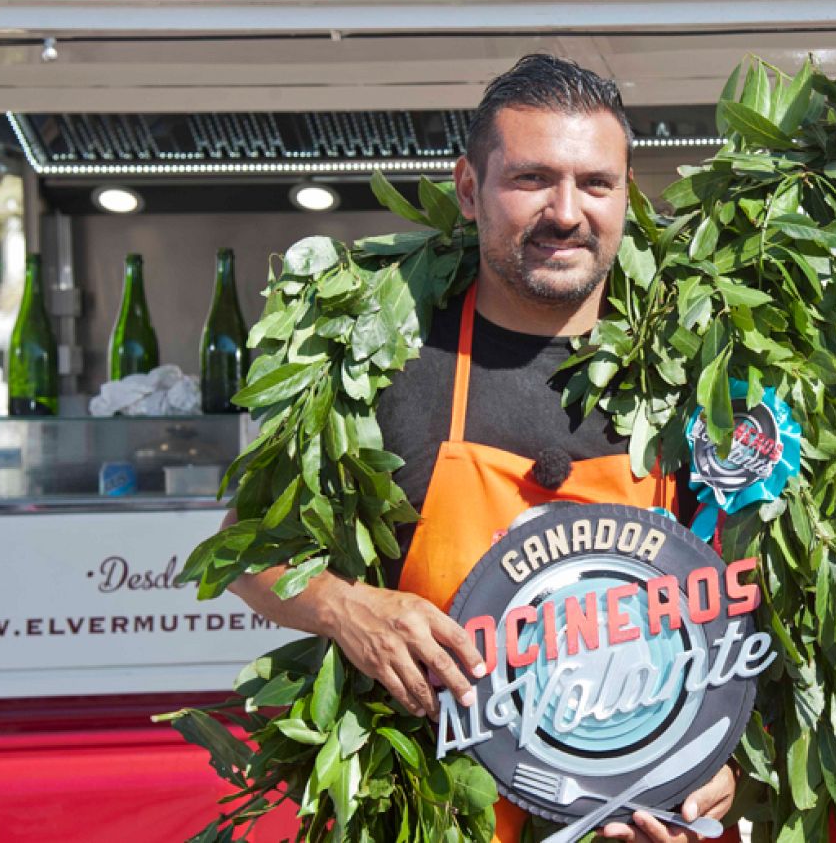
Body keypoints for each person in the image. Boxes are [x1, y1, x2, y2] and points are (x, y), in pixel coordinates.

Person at [228, 53, 733, 843]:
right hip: (427, 815)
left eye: (596, 184)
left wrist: (702, 761)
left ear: (626, 198)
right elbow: (242, 553)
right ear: (469, 188)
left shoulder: (687, 378)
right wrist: (345, 606)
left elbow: (735, 601)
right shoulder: (385, 364)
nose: (567, 211)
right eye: (531, 179)